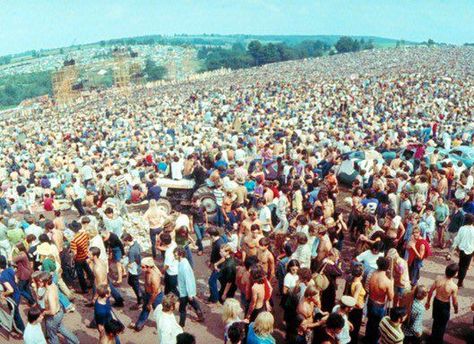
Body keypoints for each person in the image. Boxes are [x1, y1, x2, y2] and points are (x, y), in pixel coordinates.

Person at [40, 272, 79, 344]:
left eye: (40, 281)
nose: (39, 283)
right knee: (61, 328)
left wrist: (44, 312)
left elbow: (53, 311)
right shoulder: (53, 285)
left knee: (52, 335)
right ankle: (75, 341)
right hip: (60, 312)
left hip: (53, 317)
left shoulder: (49, 293)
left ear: (45, 281)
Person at [425, 263, 459, 343]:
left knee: (436, 321)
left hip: (436, 301)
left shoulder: (438, 278)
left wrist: (428, 302)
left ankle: (433, 337)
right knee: (442, 324)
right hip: (444, 305)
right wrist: (456, 309)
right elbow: (455, 301)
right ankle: (438, 340)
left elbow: (430, 291)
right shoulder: (453, 286)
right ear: (454, 274)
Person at [365, 257, 394, 344]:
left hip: (370, 301)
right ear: (387, 267)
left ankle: (367, 339)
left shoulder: (371, 274)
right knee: (378, 327)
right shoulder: (387, 282)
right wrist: (391, 283)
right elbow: (391, 297)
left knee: (370, 322)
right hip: (379, 306)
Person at [130, 257, 163, 331]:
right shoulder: (148, 271)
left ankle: (162, 326)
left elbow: (154, 292)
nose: (141, 268)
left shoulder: (154, 277)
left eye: (143, 267)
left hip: (155, 296)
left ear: (149, 267)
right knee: (145, 309)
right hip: (148, 294)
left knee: (158, 312)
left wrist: (150, 303)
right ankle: (139, 324)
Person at [174, 246, 204, 327]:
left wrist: (190, 294)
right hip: (185, 290)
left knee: (182, 310)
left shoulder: (184, 266)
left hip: (184, 292)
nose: (175, 256)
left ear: (180, 255)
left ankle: (181, 325)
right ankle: (200, 316)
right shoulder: (183, 262)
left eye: (176, 255)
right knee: (194, 303)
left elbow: (188, 281)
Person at [0, 254, 25, 335]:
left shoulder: (2, 276)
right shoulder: (10, 269)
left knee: (16, 314)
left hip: (12, 297)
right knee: (14, 312)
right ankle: (16, 327)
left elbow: (10, 290)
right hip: (17, 293)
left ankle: (22, 330)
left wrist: (3, 294)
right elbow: (16, 280)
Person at [450, 213, 474, 287]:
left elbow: (457, 239)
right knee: (464, 267)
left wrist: (453, 247)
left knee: (461, 264)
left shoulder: (462, 228)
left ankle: (460, 280)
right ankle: (460, 280)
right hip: (470, 251)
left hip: (462, 250)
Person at [123, 233, 142, 309]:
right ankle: (141, 295)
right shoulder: (136, 244)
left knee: (135, 285)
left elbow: (130, 263)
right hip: (138, 267)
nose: (123, 243)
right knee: (131, 282)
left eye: (124, 241)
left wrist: (124, 264)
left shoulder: (131, 251)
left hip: (134, 270)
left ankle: (140, 300)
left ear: (127, 241)